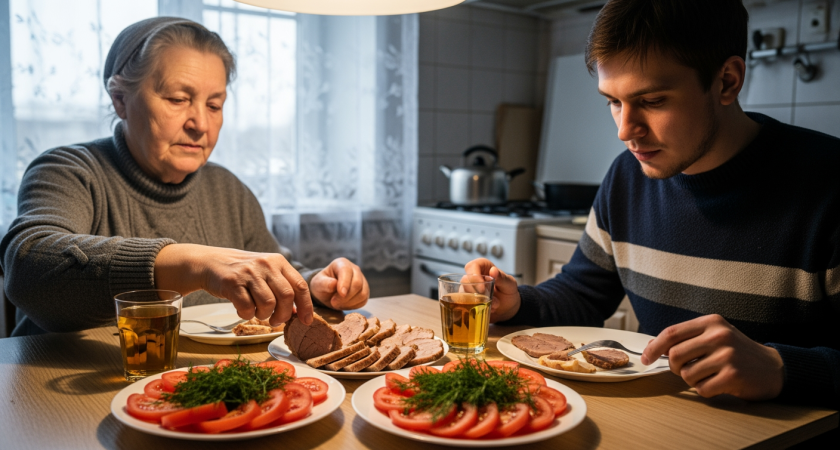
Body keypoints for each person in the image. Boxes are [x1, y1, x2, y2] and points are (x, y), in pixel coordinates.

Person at [466, 0, 840, 410]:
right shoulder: (627, 176)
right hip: (659, 417)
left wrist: (782, 367)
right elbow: (582, 292)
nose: (626, 130)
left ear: (727, 82)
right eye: (613, 101)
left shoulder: (828, 185)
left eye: (653, 101)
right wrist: (518, 302)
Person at [0, 17, 369, 337]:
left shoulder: (227, 189)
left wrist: (318, 287)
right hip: (58, 390)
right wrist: (192, 263)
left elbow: (270, 271)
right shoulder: (69, 170)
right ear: (120, 100)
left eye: (214, 105)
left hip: (195, 381)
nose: (200, 124)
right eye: (178, 99)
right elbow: (27, 266)